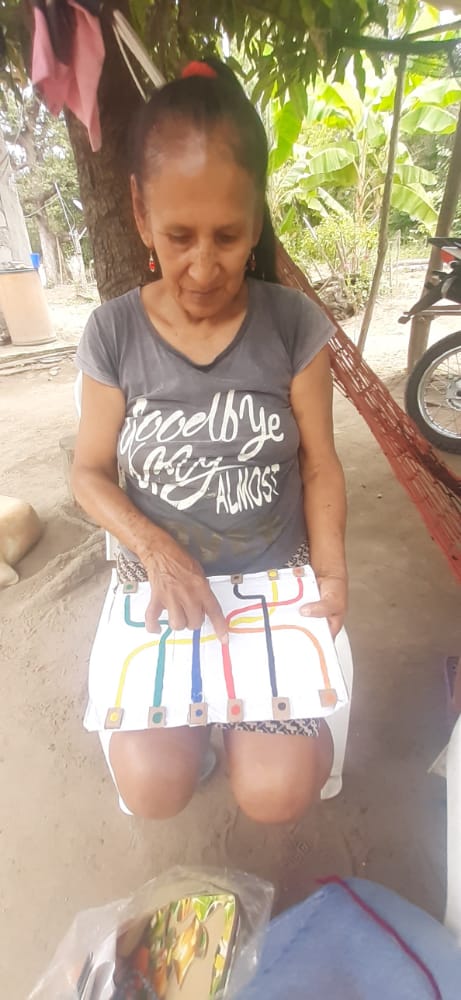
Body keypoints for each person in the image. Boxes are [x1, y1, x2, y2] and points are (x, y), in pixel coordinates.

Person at [72, 58, 347, 822]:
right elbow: (88, 472)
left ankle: (254, 727)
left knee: (275, 793)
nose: (201, 266)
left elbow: (319, 466)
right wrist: (156, 548)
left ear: (256, 217)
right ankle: (206, 730)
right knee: (151, 790)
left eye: (227, 236)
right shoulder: (113, 333)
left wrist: (330, 576)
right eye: (178, 235)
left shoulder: (292, 326)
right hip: (160, 593)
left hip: (271, 587)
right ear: (139, 212)